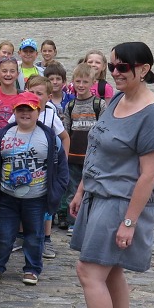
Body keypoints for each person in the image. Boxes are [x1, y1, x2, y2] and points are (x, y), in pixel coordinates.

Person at [68, 43, 154, 308]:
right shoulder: (116, 99)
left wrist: (129, 221)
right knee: (110, 272)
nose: (115, 72)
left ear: (143, 69)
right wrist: (82, 188)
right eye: (112, 66)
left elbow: (149, 174)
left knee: (89, 271)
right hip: (99, 194)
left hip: (121, 201)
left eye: (123, 67)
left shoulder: (153, 113)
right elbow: (97, 146)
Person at [0, 92, 68, 286]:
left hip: (37, 197)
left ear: (38, 111)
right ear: (14, 111)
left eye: (29, 110)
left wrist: (56, 191)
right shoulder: (3, 135)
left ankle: (32, 268)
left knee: (34, 235)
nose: (25, 114)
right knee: (4, 234)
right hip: (8, 196)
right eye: (21, 109)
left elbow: (62, 168)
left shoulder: (48, 137)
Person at [60, 62, 104, 231]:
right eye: (78, 81)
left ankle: (91, 221)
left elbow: (103, 130)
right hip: (74, 157)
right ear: (73, 82)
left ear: (93, 83)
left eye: (85, 82)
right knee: (73, 190)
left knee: (92, 190)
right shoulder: (70, 106)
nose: (81, 85)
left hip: (93, 157)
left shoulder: (99, 105)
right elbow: (66, 131)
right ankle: (74, 223)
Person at [0, 57, 20, 129]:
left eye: (12, 71)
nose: (8, 74)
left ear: (17, 74)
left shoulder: (22, 96)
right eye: (4, 71)